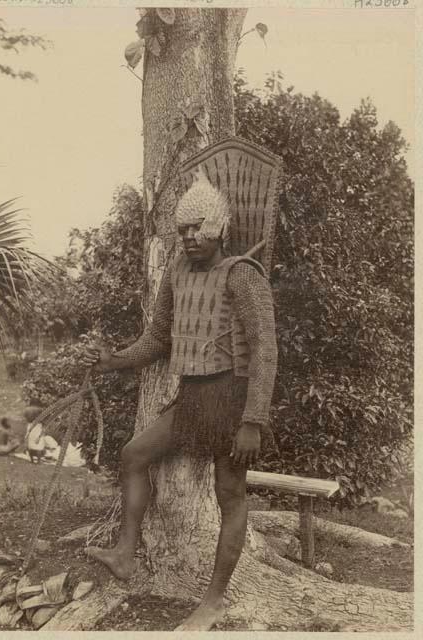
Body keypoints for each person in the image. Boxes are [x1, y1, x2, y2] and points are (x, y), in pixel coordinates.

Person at [82, 174, 277, 631]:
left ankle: (212, 601)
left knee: (229, 495)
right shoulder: (176, 274)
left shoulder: (243, 275)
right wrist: (115, 361)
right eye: (183, 228)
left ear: (220, 228)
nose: (190, 237)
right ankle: (126, 555)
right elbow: (157, 339)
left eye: (199, 227)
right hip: (192, 396)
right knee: (133, 454)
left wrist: (253, 421)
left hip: (232, 398)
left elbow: (266, 350)